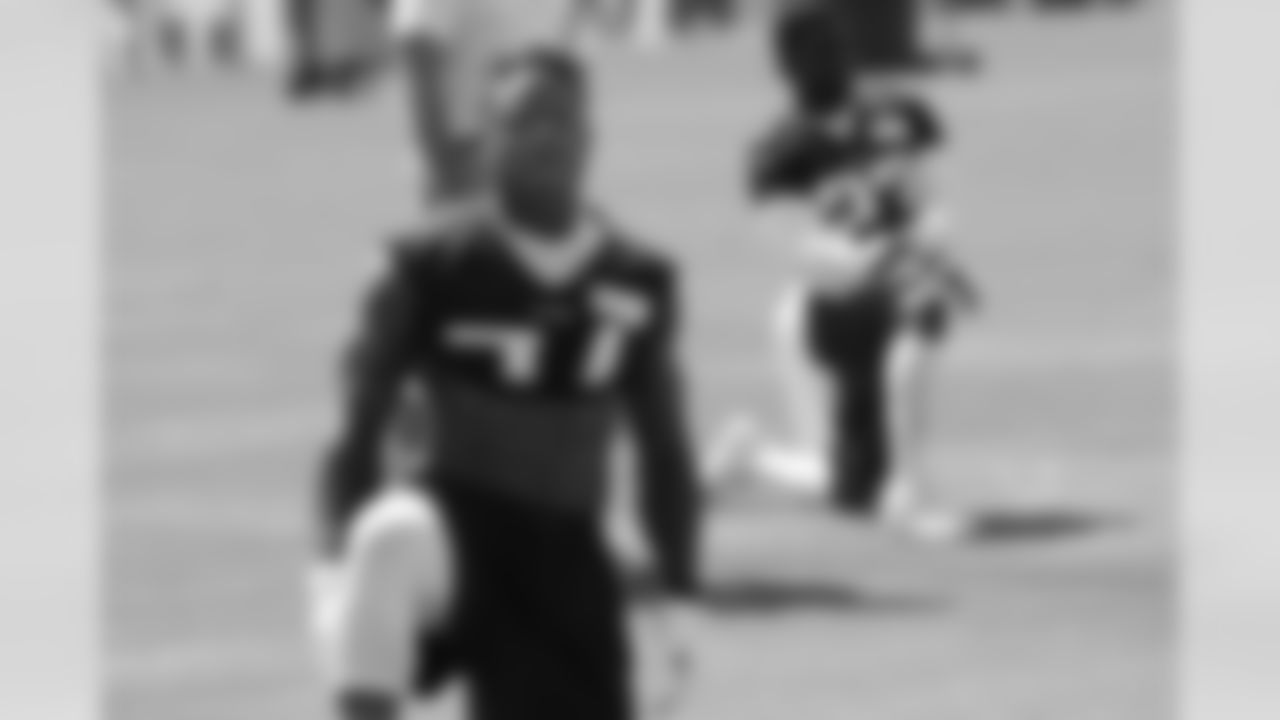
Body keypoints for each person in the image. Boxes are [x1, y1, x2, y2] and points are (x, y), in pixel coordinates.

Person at [311, 47, 704, 720]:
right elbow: (357, 425)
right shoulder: (427, 265)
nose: (545, 135)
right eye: (523, 120)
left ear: (590, 133)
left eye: (561, 117)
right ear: (487, 140)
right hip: (456, 538)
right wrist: (331, 574)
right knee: (388, 537)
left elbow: (665, 449)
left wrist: (681, 592)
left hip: (568, 552)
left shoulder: (639, 276)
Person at [705, 0, 978, 539]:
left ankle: (752, 455)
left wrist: (928, 239)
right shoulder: (778, 148)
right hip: (829, 305)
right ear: (785, 62)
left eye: (832, 39)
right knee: (921, 307)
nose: (828, 55)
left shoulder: (897, 113)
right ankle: (910, 494)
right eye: (810, 46)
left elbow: (929, 195)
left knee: (847, 488)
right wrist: (872, 259)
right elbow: (792, 245)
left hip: (888, 281)